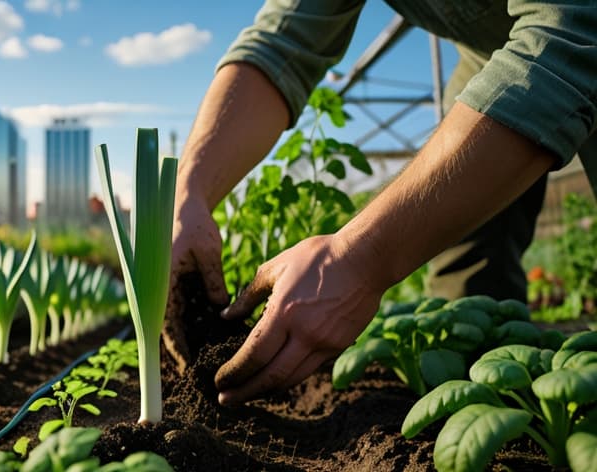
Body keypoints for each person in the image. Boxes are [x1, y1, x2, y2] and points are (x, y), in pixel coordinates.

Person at [163, 0, 597, 407]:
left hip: (572, 33)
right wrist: (187, 195)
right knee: (470, 283)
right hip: (495, 52)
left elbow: (572, 30)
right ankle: (499, 409)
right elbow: (283, 41)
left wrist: (361, 257)